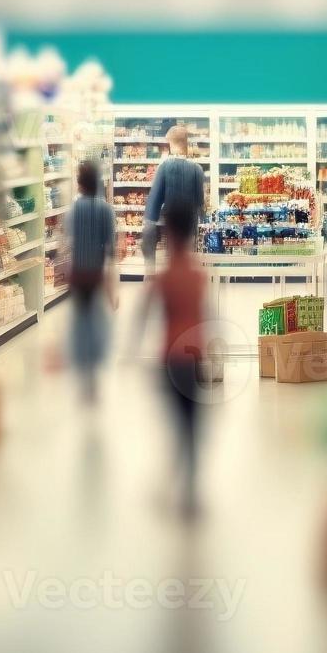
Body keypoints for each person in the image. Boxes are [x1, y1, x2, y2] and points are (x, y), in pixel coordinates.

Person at [138, 201, 206, 520]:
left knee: (175, 425)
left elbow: (142, 317)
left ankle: (174, 482)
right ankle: (190, 487)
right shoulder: (198, 276)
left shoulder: (163, 277)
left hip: (169, 357)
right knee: (193, 427)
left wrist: (132, 353)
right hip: (195, 357)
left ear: (168, 236)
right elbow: (206, 319)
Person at [69, 158, 118, 404]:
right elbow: (111, 253)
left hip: (78, 276)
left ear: (79, 183)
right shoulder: (106, 210)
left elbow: (67, 245)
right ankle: (94, 371)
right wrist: (112, 289)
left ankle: (83, 371)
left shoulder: (74, 210)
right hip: (97, 276)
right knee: (97, 323)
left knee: (80, 323)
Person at [141, 125, 206, 262]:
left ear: (171, 143)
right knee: (186, 257)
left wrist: (149, 222)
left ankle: (162, 276)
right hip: (190, 223)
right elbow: (200, 202)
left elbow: (155, 198)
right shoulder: (197, 169)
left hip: (170, 222)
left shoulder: (165, 167)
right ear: (186, 144)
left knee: (171, 256)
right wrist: (203, 221)